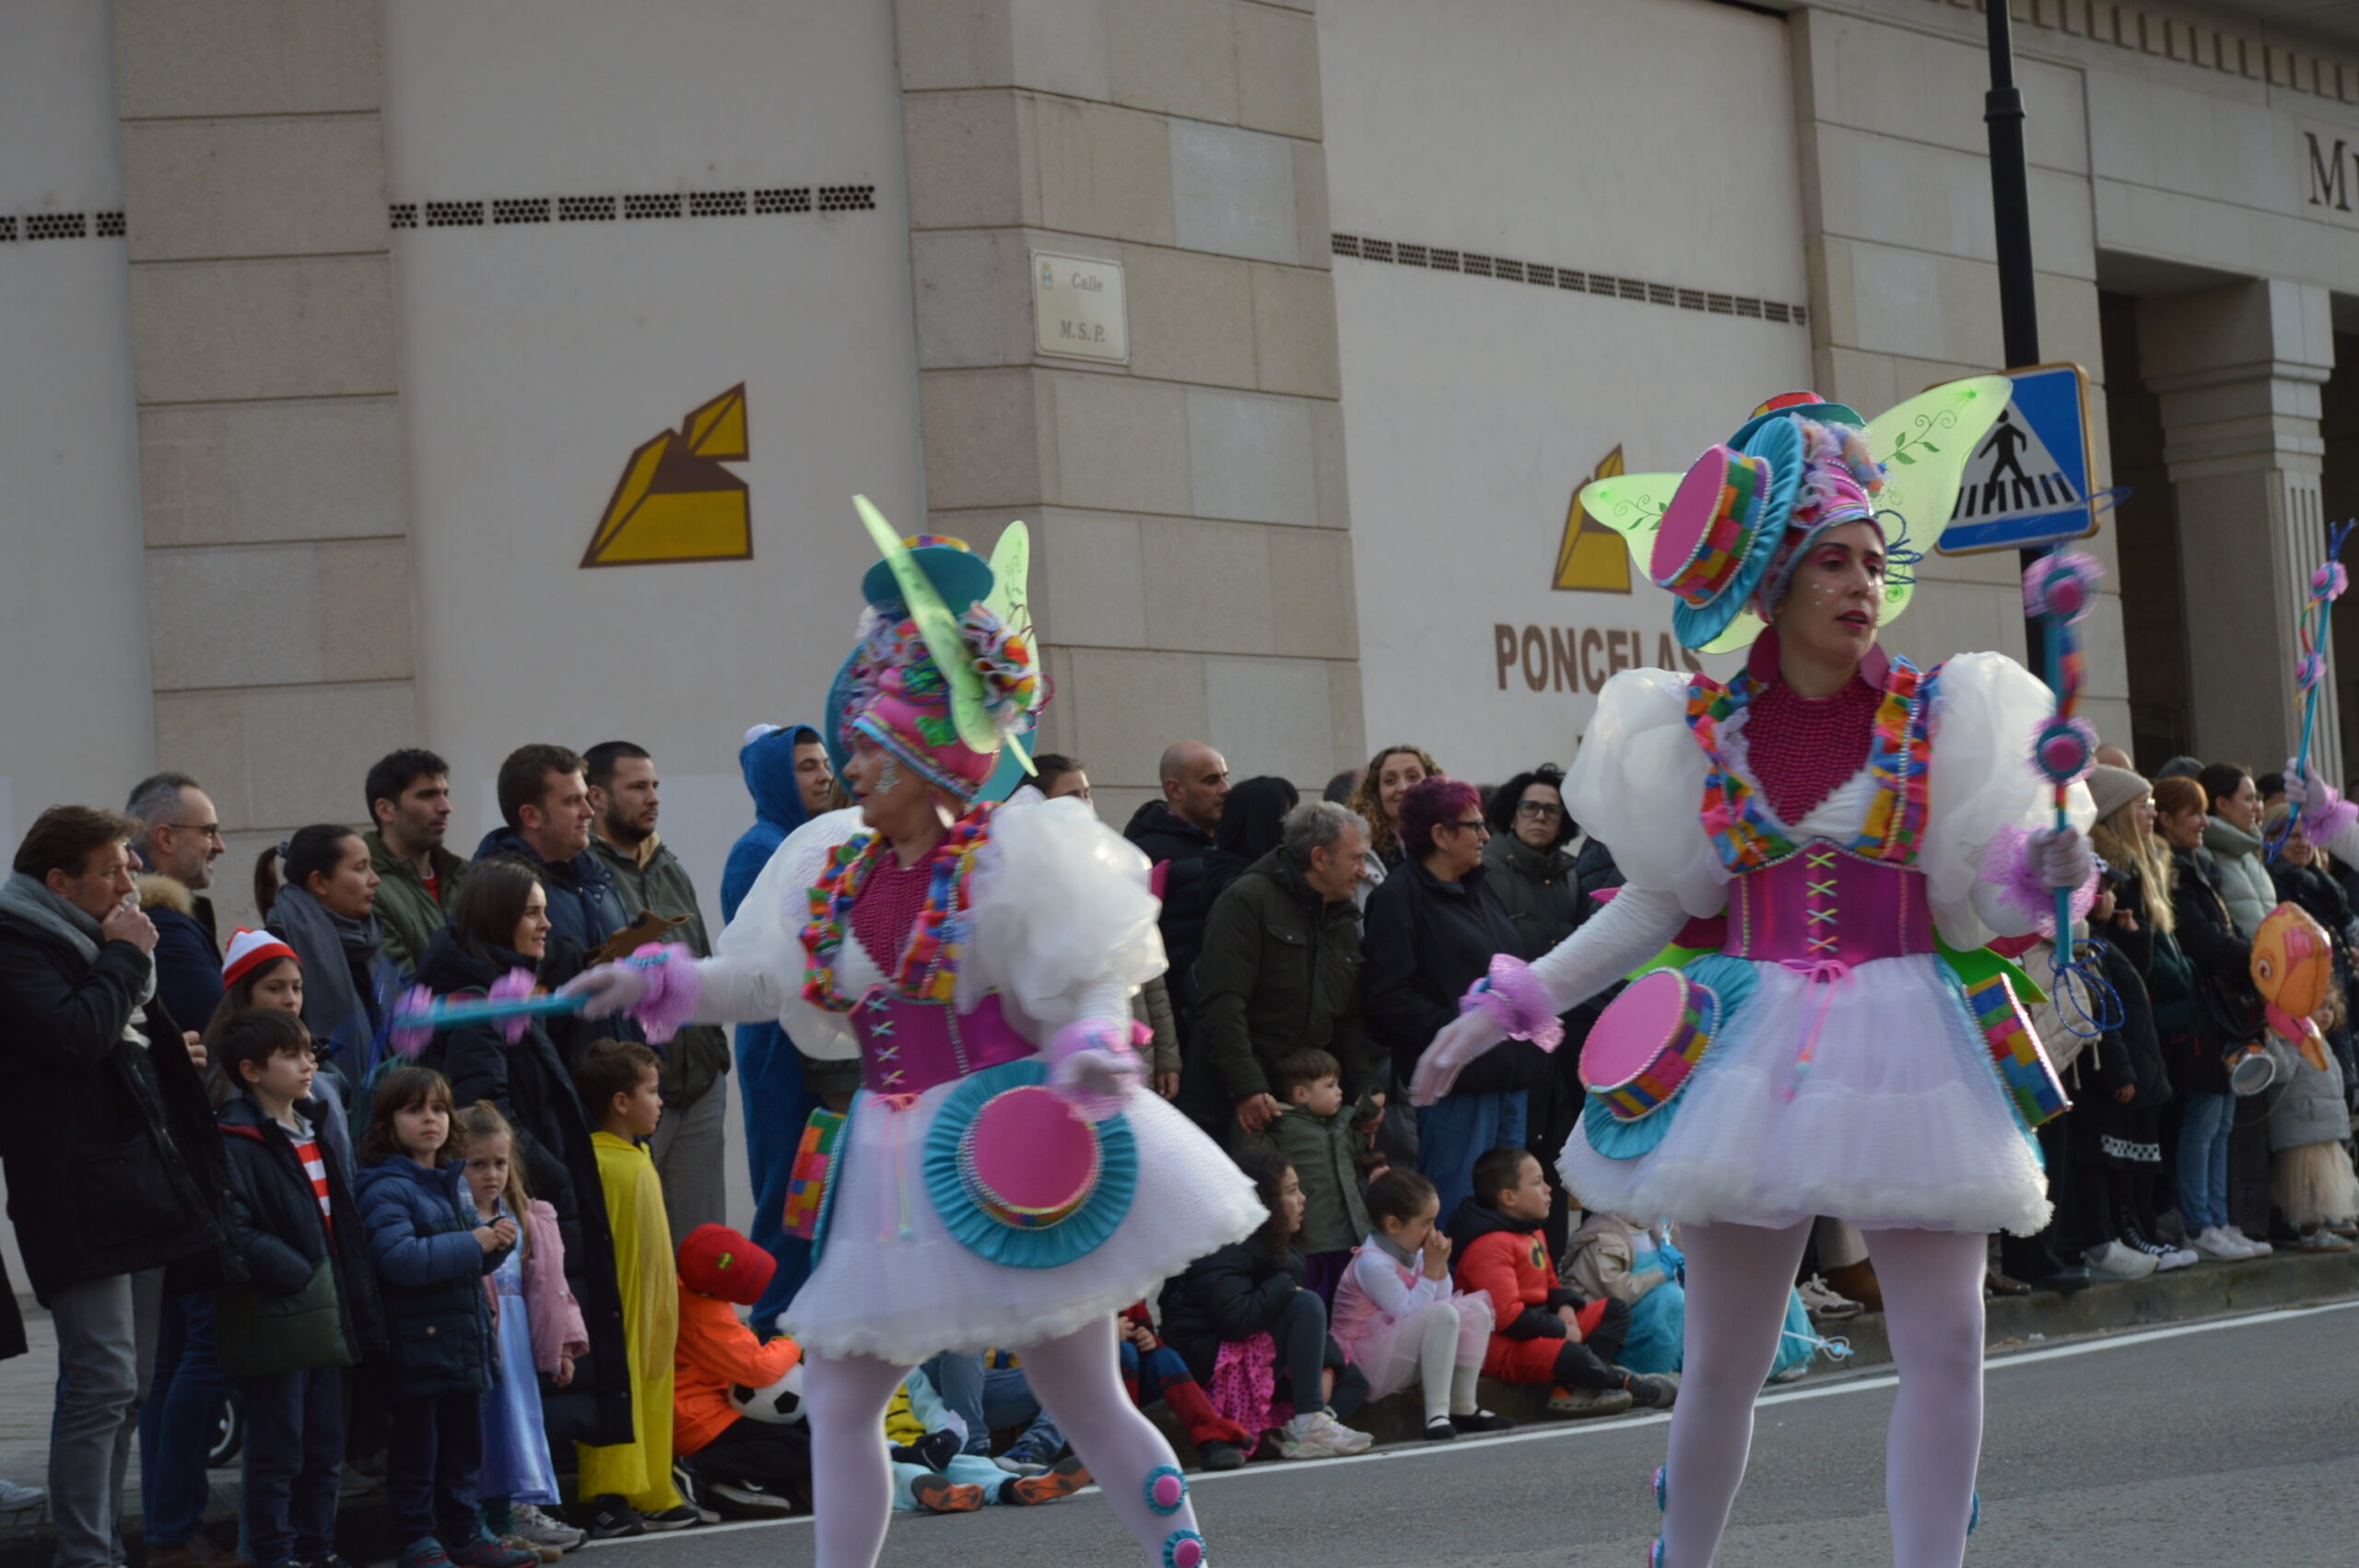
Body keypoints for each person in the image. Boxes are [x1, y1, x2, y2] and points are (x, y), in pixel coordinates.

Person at [1410, 391, 2099, 1567]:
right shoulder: (1696, 728)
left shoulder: (1951, 713)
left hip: (1909, 1047)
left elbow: (1968, 908)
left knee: (1946, 1344)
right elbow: (1656, 903)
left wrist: (2048, 875)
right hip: (1748, 1054)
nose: (1857, 582)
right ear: (1772, 582)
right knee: (1723, 1357)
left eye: (1873, 561)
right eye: (1828, 560)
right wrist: (1503, 1006)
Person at [564, 523, 1261, 1568]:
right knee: (843, 1392)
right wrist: (658, 981)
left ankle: (1185, 1558)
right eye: (851, 752)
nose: (850, 770)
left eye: (869, 754)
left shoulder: (1010, 856)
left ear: (929, 760)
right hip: (888, 1161)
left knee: (1087, 1398)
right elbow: (768, 978)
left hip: (1005, 1152)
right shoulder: (837, 868)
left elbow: (1081, 981)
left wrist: (1088, 1048)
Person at [0, 806, 240, 1568]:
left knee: (131, 1383)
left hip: (138, 1182)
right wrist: (127, 959)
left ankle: (101, 1544)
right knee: (100, 1381)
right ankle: (86, 1554)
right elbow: (75, 1036)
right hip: (76, 1193)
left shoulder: (95, 937)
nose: (131, 880)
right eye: (113, 869)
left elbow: (119, 1039)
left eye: (130, 864)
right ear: (59, 882)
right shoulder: (19, 941)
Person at [414, 860, 634, 1460]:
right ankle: (524, 1494)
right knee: (522, 1364)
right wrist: (555, 1179)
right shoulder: (482, 1000)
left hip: (529, 1199)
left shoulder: (503, 990)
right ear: (497, 919)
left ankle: (535, 1489)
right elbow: (486, 1109)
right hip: (522, 1207)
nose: (546, 924)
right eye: (532, 912)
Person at [210, 1007, 385, 1568]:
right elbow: (236, 1229)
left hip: (325, 1314)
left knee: (322, 1447)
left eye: (309, 1050)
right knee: (277, 1449)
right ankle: (274, 1552)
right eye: (291, 1054)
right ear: (251, 1070)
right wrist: (299, 1274)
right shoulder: (236, 1140)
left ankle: (317, 1549)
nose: (309, 1062)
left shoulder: (311, 1130)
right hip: (281, 1316)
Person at [350, 1066, 536, 1568]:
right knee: (417, 1451)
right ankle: (416, 1539)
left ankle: (464, 1532)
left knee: (462, 1450)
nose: (429, 1120)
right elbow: (403, 1259)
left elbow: (456, 1261)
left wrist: (494, 1246)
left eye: (438, 1109)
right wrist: (474, 1240)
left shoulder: (445, 1181)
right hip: (416, 1345)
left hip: (459, 1339)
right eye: (414, 1110)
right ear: (388, 1124)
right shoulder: (384, 1187)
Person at [125, 780, 239, 1568]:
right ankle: (172, 1525)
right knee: (201, 1348)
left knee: (172, 1354)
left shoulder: (152, 923)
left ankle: (169, 1524)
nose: (220, 846)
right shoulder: (169, 926)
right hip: (194, 1163)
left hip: (160, 1165)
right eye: (209, 831)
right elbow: (221, 1036)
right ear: (165, 838)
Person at [1367, 777, 1551, 1222]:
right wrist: (1465, 1030)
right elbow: (1389, 997)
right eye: (1474, 826)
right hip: (1456, 1087)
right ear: (1440, 835)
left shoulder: (1480, 888)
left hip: (1509, 1076)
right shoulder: (1398, 897)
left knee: (1511, 1215)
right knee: (1455, 1208)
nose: (1486, 837)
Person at [721, 721, 848, 1331]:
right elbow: (770, 960)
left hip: (814, 1049)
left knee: (822, 1196)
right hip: (781, 1054)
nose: (823, 775)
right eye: (805, 766)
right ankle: (771, 1337)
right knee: (792, 1198)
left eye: (824, 762)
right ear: (774, 776)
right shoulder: (760, 848)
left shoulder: (808, 840)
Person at [584, 741, 733, 1245]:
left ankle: (706, 1330)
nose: (653, 798)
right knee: (643, 1247)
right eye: (638, 787)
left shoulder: (669, 865)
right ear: (597, 797)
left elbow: (701, 961)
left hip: (700, 1082)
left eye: (655, 786)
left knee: (705, 1246)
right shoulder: (589, 875)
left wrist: (715, 1057)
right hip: (637, 1089)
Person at [1156, 1151, 1373, 1462]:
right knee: (1305, 1302)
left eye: (1299, 1189)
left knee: (1350, 1377)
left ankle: (1303, 1427)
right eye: (1290, 1191)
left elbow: (1299, 1323)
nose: (1302, 1199)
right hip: (1214, 1364)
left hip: (1256, 1351)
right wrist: (1283, 1284)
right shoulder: (1222, 1243)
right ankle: (1308, 1422)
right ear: (1263, 1200)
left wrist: (1328, 1366)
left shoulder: (1275, 1240)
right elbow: (1236, 1320)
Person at [1188, 801, 1380, 1146]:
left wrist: (1364, 1089)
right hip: (1242, 1108)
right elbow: (1222, 1003)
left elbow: (1348, 1020)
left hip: (1309, 1109)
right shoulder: (1247, 901)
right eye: (1355, 858)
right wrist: (1248, 1087)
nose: (1363, 871)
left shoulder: (1341, 916)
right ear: (1320, 858)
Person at [451, 1102, 590, 1561]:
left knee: (515, 1432)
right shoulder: (457, 1221)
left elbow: (554, 1288)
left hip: (517, 1347)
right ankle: (480, 1528)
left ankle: (505, 1524)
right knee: (482, 1434)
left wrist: (564, 1347)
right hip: (479, 1340)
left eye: (500, 1163)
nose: (492, 1174)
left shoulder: (527, 1218)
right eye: (477, 1164)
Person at [570, 1040, 697, 1535]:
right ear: (621, 1102)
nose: (660, 1101)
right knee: (619, 1393)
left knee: (650, 1387)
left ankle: (651, 1486)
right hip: (618, 1305)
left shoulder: (634, 1157)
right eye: (651, 1091)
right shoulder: (604, 1163)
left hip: (652, 1304)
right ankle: (612, 1495)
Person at [1449, 1147, 1666, 1416]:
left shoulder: (1532, 1230)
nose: (1549, 1189)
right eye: (1537, 1182)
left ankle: (1575, 1388)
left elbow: (1551, 1284)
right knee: (1569, 1352)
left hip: (1539, 1328)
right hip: (1503, 1346)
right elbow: (1508, 1318)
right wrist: (1560, 1331)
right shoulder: (1489, 1245)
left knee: (1614, 1310)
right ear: (1509, 1197)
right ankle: (1624, 1383)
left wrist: (1566, 1311)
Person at [2085, 766, 2199, 1267]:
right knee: (2121, 1146)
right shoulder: (2107, 872)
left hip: (2142, 1023)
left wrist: (2133, 937)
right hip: (2125, 1033)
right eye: (2142, 804)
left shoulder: (2144, 867)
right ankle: (2126, 1234)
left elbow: (2138, 967)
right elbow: (2104, 975)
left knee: (2142, 1142)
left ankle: (2141, 1231)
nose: (2151, 813)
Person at [2154, 777, 2271, 1260]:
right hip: (2201, 1013)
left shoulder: (2199, 866)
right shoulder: (2173, 872)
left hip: (2220, 1011)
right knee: (2202, 1120)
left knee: (2221, 1121)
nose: (2203, 823)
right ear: (2166, 819)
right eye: (2194, 813)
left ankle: (2220, 1220)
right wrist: (2262, 956)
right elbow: (2203, 941)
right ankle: (2200, 1223)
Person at [1329, 1168, 1507, 1441]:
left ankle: (1463, 1405)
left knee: (1476, 1310)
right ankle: (1436, 1414)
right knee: (1443, 1314)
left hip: (1395, 1348)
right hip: (1364, 1360)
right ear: (1393, 1225)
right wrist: (1431, 1271)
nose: (1432, 1232)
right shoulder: (1373, 1262)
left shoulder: (1414, 1250)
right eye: (1425, 1223)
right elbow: (1409, 1313)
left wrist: (1439, 1269)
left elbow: (1443, 1300)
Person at [671, 1224, 812, 1518]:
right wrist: (794, 1342)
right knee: (799, 1446)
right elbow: (758, 1369)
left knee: (805, 1431)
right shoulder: (704, 1313)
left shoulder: (685, 1291)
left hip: (702, 1407)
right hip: (698, 1421)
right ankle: (693, 1468)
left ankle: (740, 1480)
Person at [475, 745, 631, 1009]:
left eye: (585, 798)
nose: (589, 812)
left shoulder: (597, 876)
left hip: (616, 1048)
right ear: (531, 816)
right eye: (572, 801)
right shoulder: (497, 894)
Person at [259, 824, 393, 1117]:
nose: (375, 880)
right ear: (319, 882)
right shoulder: (281, 942)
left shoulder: (367, 939)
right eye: (360, 868)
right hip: (318, 1112)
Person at [1237, 1047, 1372, 1301]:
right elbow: (1252, 1152)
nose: (1339, 1091)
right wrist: (1261, 1120)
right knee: (1317, 1301)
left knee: (1351, 1306)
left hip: (1352, 1236)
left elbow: (1363, 1139)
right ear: (1301, 1093)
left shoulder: (1343, 1124)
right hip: (1313, 1241)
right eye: (1331, 1085)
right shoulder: (1283, 1127)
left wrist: (1370, 1100)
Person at [1125, 741, 1231, 1041]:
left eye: (1225, 776)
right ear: (1175, 790)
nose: (1226, 789)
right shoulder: (1147, 855)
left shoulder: (1226, 847)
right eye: (1211, 780)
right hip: (1180, 1023)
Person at [1111, 1303, 1255, 1469]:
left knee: (1166, 1357)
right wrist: (1102, 1338)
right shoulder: (1076, 1283)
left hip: (1130, 1381)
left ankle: (1212, 1437)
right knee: (1125, 1352)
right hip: (1087, 1388)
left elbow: (1142, 1330)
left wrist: (1147, 1338)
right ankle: (1126, 1448)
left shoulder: (1123, 1284)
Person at [366, 750, 466, 980]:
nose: (445, 807)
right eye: (428, 795)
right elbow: (398, 988)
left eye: (445, 794)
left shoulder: (468, 876)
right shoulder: (367, 887)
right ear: (385, 810)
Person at [1344, 744, 1439, 896]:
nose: (1403, 787)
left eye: (1413, 777)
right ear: (1376, 793)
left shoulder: (1450, 841)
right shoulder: (1361, 851)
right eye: (1390, 781)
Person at [1200, 776, 1299, 910]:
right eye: (1289, 811)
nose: (1299, 819)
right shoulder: (1241, 890)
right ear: (1266, 823)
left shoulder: (1273, 874)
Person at [2197, 763, 2272, 937]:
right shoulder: (2203, 856)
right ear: (2222, 804)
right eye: (2248, 799)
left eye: (2256, 798)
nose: (2257, 807)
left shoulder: (2250, 854)